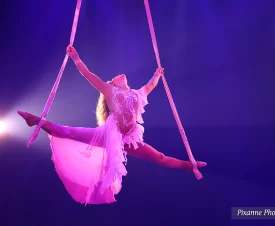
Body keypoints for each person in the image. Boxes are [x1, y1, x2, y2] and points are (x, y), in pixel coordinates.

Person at [18, 45, 206, 205]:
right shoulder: (109, 91)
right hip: (109, 135)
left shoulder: (137, 94)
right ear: (114, 84)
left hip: (129, 140)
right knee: (70, 132)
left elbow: (150, 86)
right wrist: (75, 57)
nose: (119, 75)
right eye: (115, 77)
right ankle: (36, 120)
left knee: (160, 157)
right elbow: (88, 74)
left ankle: (188, 165)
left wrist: (157, 75)